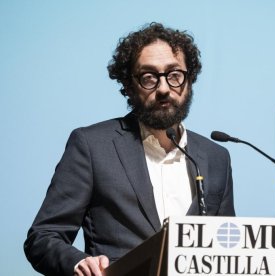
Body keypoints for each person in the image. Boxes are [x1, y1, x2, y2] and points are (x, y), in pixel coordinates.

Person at [24, 22, 235, 276]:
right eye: (149, 77)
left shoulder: (216, 157)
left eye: (174, 75)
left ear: (189, 80)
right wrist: (79, 263)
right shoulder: (92, 146)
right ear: (129, 85)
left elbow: (227, 247)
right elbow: (43, 237)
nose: (164, 88)